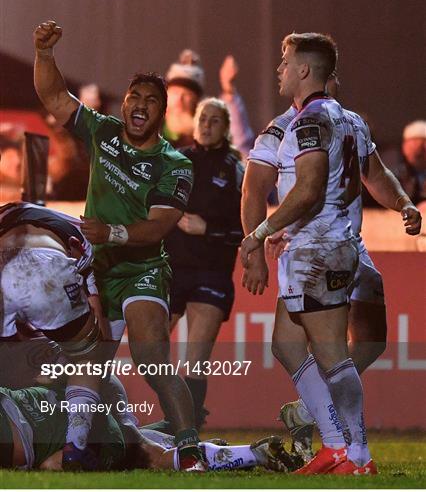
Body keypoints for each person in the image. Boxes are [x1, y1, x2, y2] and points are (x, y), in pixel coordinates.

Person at [33, 20, 207, 471]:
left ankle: (189, 448)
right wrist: (46, 55)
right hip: (95, 267)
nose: (140, 105)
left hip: (142, 267)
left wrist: (109, 232)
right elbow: (54, 98)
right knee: (88, 360)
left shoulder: (174, 163)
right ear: (124, 103)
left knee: (151, 357)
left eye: (152, 101)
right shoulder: (103, 132)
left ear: (161, 115)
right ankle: (75, 449)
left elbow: (158, 227)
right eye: (134, 97)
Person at [242, 74, 422, 460]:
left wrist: (403, 202)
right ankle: (345, 448)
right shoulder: (280, 129)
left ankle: (314, 416)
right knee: (303, 346)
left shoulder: (350, 122)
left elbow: (375, 174)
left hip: (349, 244)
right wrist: (256, 247)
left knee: (372, 338)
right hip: (311, 248)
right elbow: (253, 189)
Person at [240, 32, 381, 475]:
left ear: (305, 70)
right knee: (286, 343)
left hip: (321, 248)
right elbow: (264, 187)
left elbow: (308, 191)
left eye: (285, 61)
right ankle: (336, 445)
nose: (279, 69)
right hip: (316, 246)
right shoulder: (328, 119)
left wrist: (260, 233)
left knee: (335, 355)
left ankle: (356, 456)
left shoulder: (309, 122)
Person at [145, 98, 244, 432]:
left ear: (226, 127)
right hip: (172, 267)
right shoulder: (177, 159)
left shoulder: (235, 168)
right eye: (203, 118)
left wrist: (208, 228)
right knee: (151, 348)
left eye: (216, 120)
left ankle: (188, 426)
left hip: (212, 270)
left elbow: (246, 226)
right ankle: (177, 416)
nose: (207, 125)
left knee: (196, 355)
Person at [0, 201, 108, 469]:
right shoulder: (79, 236)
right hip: (46, 269)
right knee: (89, 353)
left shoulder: (7, 213)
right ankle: (76, 445)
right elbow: (99, 325)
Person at [0, 380, 301, 472]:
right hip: (76, 405)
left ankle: (251, 454)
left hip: (79, 423)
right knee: (145, 451)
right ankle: (245, 453)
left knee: (152, 458)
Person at [164, 49, 255, 157]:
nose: (179, 99)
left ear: (196, 101)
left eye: (187, 94)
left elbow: (240, 147)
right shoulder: (154, 129)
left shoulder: (208, 134)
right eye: (175, 93)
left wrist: (228, 90)